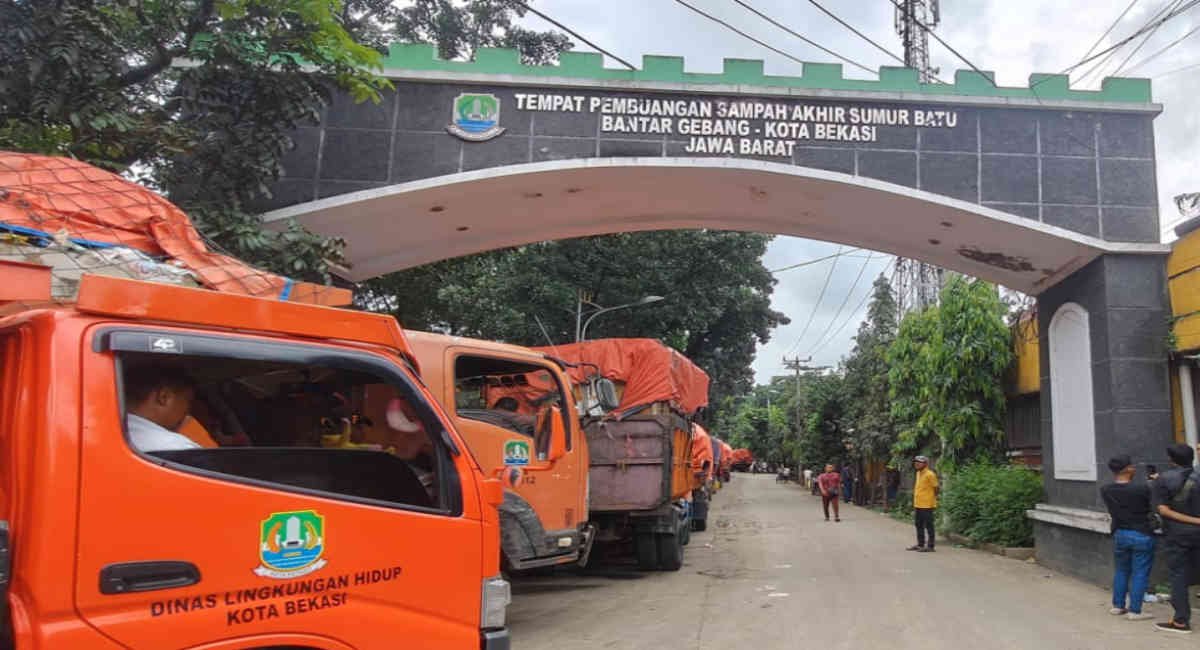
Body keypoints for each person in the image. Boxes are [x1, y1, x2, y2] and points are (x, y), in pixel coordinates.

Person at [1100, 454, 1156, 620]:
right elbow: (1151, 504)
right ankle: (1135, 611)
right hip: (1141, 534)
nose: (1134, 467)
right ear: (1128, 469)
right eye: (1132, 465)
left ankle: (1118, 606)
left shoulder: (1105, 490)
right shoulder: (1142, 489)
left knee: (1121, 570)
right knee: (1140, 573)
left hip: (1120, 533)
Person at [1152, 444, 1200, 634]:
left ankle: (1180, 621)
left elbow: (1163, 510)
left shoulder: (1164, 479)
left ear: (1171, 460)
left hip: (1178, 535)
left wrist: (1195, 520)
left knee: (1178, 576)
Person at [123, 364, 202, 452]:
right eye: (188, 401)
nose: (188, 411)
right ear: (164, 397)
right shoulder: (178, 448)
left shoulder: (108, 436)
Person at [908, 455, 939, 552]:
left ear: (925, 464)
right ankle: (920, 544)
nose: (916, 463)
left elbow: (936, 488)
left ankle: (930, 546)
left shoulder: (930, 474)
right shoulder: (918, 473)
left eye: (919, 462)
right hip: (918, 504)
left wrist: (932, 498)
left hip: (927, 505)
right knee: (918, 524)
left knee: (929, 525)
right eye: (915, 462)